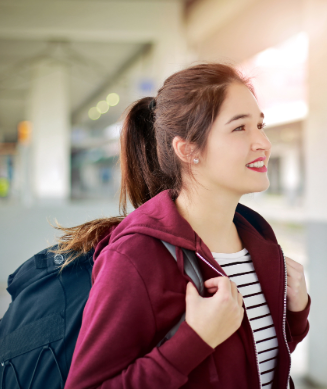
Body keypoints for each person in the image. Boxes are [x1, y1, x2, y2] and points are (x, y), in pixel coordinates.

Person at [60, 63, 310, 389]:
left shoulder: (258, 236)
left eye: (260, 125)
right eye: (240, 128)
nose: (263, 141)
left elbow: (257, 355)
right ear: (188, 149)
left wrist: (296, 309)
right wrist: (194, 341)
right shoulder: (134, 257)